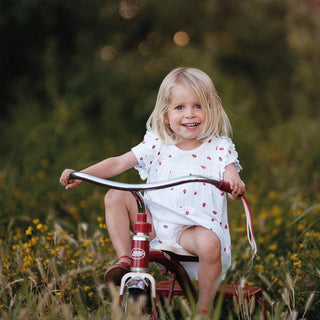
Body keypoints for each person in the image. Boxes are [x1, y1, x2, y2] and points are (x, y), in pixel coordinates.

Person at [59, 67, 245, 315]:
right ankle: (125, 260)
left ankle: (204, 308)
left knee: (210, 242)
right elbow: (117, 163)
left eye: (198, 106)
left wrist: (234, 184)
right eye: (180, 107)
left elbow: (231, 178)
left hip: (190, 232)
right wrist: (82, 174)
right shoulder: (157, 143)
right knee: (115, 195)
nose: (190, 114)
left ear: (211, 110)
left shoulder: (219, 148)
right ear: (166, 115)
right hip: (154, 225)